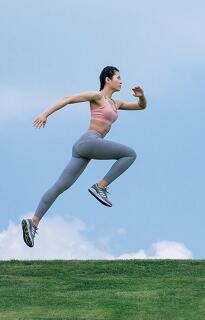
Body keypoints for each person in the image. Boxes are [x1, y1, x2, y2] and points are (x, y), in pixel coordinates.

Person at [21, 66, 147, 247]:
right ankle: (100, 187)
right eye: (118, 77)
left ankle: (33, 223)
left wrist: (141, 95)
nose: (121, 81)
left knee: (60, 186)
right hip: (89, 141)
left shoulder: (115, 103)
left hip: (85, 147)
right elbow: (68, 99)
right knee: (129, 154)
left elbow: (141, 106)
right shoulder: (97, 96)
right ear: (107, 80)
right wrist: (44, 114)